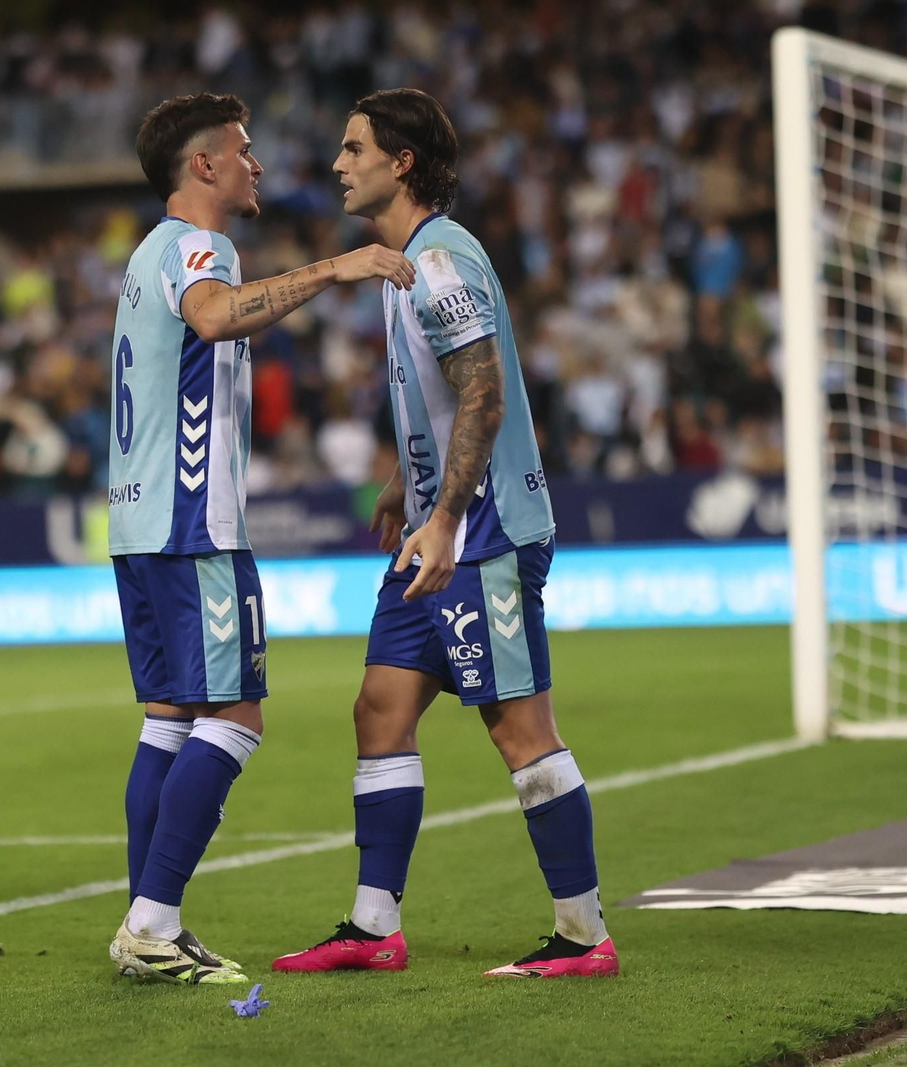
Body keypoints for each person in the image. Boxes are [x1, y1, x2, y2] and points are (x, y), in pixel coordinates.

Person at [272, 89, 619, 978]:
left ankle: (584, 936)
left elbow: (484, 393)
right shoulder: (404, 265)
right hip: (437, 527)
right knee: (379, 710)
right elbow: (443, 396)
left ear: (404, 164)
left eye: (355, 148)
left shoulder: (438, 259)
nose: (339, 164)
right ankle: (373, 926)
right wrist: (407, 481)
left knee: (519, 730)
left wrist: (448, 517)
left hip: (481, 532)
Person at [107, 92, 415, 985]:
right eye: (244, 150)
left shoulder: (147, 254)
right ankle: (152, 922)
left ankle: (147, 922)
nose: (259, 165)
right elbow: (214, 315)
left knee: (170, 718)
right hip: (191, 520)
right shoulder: (200, 248)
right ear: (203, 164)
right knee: (236, 715)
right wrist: (336, 268)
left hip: (137, 521)